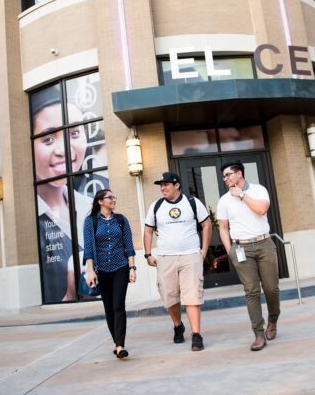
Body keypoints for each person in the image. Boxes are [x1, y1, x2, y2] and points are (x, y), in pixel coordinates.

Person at [32, 86, 92, 302]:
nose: (64, 150)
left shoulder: (90, 205)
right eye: (48, 139)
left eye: (74, 133)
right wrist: (70, 295)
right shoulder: (33, 220)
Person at [143, 172, 212, 351]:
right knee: (170, 297)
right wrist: (148, 254)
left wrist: (203, 251)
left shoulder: (192, 203)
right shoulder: (156, 206)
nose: (163, 188)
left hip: (190, 256)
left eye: (166, 184)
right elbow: (148, 230)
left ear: (177, 185)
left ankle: (196, 335)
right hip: (166, 258)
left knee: (192, 296)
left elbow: (207, 225)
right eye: (161, 185)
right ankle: (177, 325)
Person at [217, 160, 280, 351]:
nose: (225, 179)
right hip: (241, 249)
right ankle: (258, 334)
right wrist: (230, 251)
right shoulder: (224, 200)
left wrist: (242, 195)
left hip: (264, 244)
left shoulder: (259, 190)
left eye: (228, 174)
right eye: (224, 176)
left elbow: (261, 209)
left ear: (239, 174)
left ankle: (273, 320)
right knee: (251, 291)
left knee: (271, 289)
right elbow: (223, 228)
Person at [83, 189, 136, 358]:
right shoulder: (90, 222)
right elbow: (89, 249)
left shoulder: (121, 220)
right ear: (100, 201)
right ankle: (116, 342)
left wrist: (132, 268)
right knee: (109, 309)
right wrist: (90, 271)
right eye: (110, 197)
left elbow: (129, 246)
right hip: (102, 270)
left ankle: (120, 345)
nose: (114, 200)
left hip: (120, 267)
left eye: (114, 196)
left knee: (118, 305)